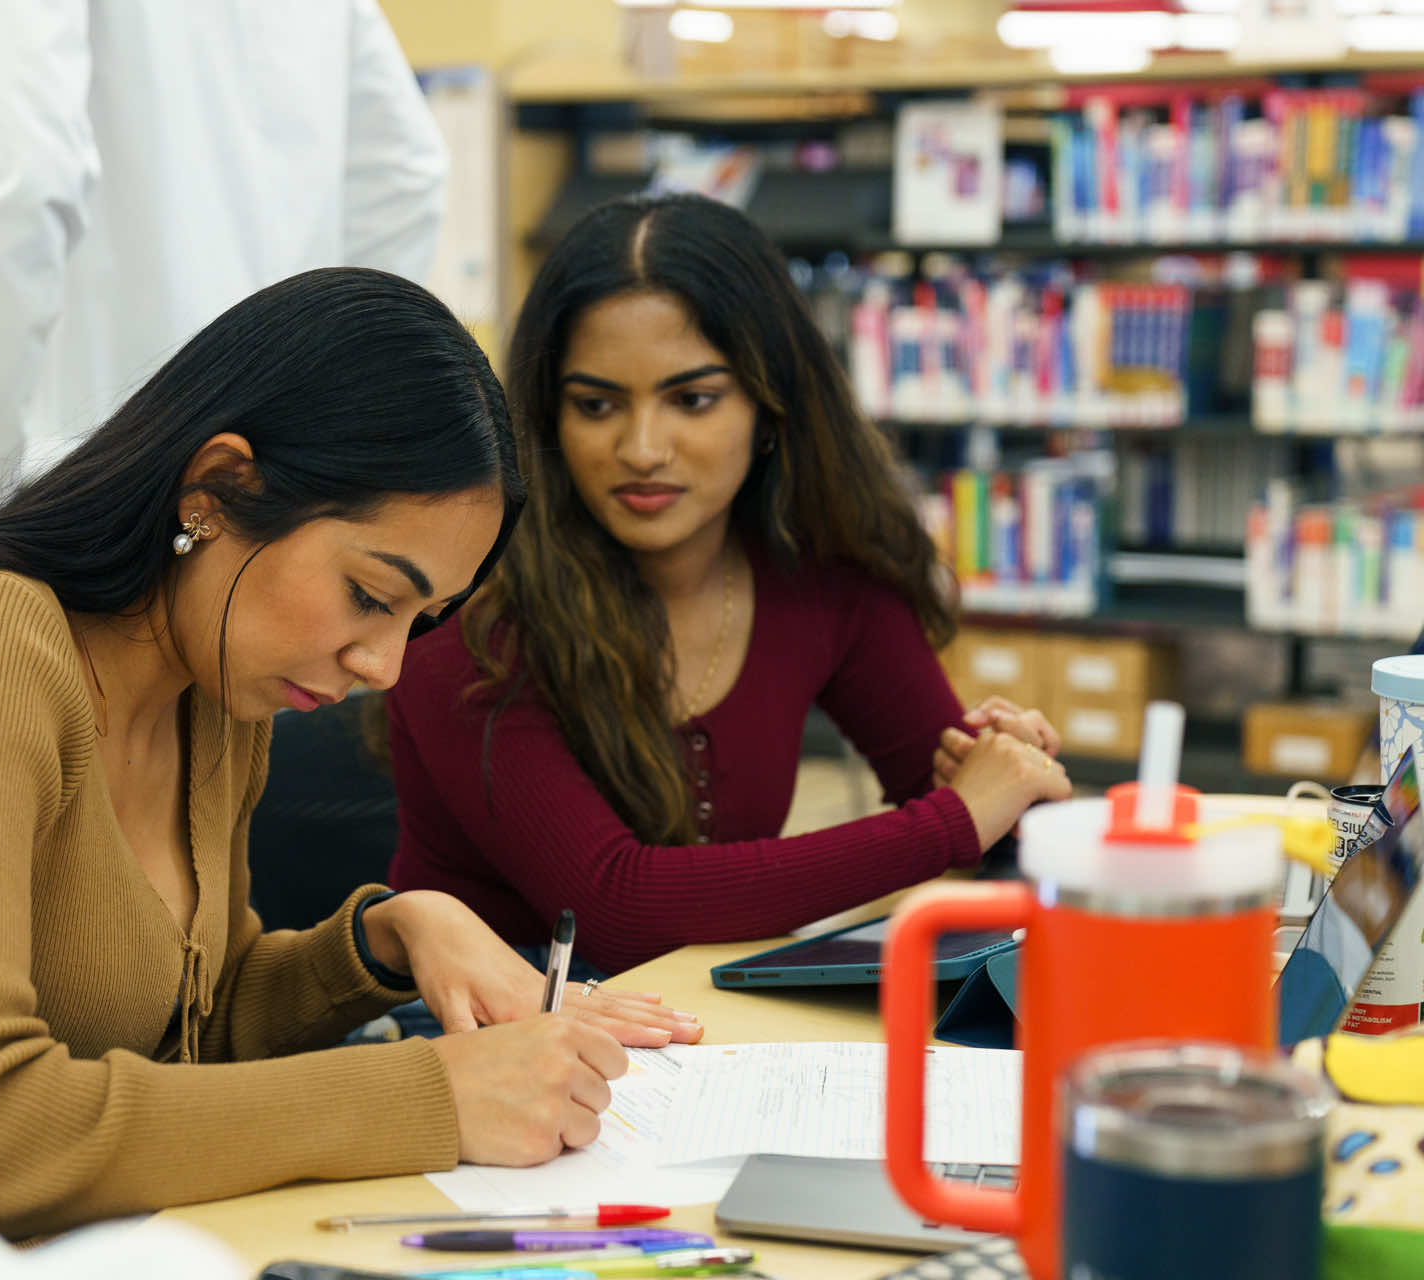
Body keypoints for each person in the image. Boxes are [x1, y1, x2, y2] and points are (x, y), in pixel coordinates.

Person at [0, 270, 700, 1247]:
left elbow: (188, 1032)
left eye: (422, 619)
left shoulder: (212, 683)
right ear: (217, 489)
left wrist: (388, 939)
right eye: (368, 593)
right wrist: (429, 1095)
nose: (385, 664)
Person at [385, 195, 1072, 977]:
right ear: (547, 419)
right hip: (480, 1033)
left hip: (703, 1018)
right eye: (597, 404)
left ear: (770, 406)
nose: (642, 448)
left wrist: (1017, 782)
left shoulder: (823, 576)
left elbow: (969, 801)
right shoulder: (469, 615)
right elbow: (613, 909)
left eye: (693, 400)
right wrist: (957, 819)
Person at [0, 0, 450, 541]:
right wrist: (300, 453)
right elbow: (402, 178)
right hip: (243, 512)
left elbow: (13, 179)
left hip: (56, 517)